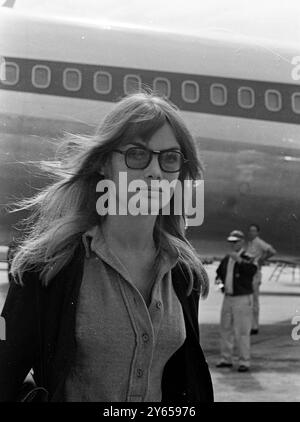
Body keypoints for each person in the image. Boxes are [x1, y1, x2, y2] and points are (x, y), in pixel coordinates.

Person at [0, 92, 213, 402]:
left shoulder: (183, 272)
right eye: (137, 154)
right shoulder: (50, 264)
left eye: (169, 158)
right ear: (103, 163)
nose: (155, 171)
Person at [215, 230, 257, 372]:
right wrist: (220, 285)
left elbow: (251, 271)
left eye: (235, 242)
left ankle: (244, 361)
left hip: (242, 299)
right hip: (228, 297)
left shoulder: (248, 257)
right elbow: (219, 275)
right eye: (231, 242)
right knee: (225, 329)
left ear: (242, 242)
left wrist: (239, 260)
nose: (233, 245)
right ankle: (225, 359)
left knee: (242, 331)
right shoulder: (227, 259)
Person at [246, 224, 276, 335]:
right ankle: (251, 325)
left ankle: (255, 326)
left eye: (254, 231)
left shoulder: (258, 242)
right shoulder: (251, 243)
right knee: (250, 300)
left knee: (254, 300)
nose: (252, 232)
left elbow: (272, 251)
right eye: (250, 230)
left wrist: (262, 259)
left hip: (255, 273)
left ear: (257, 232)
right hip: (250, 274)